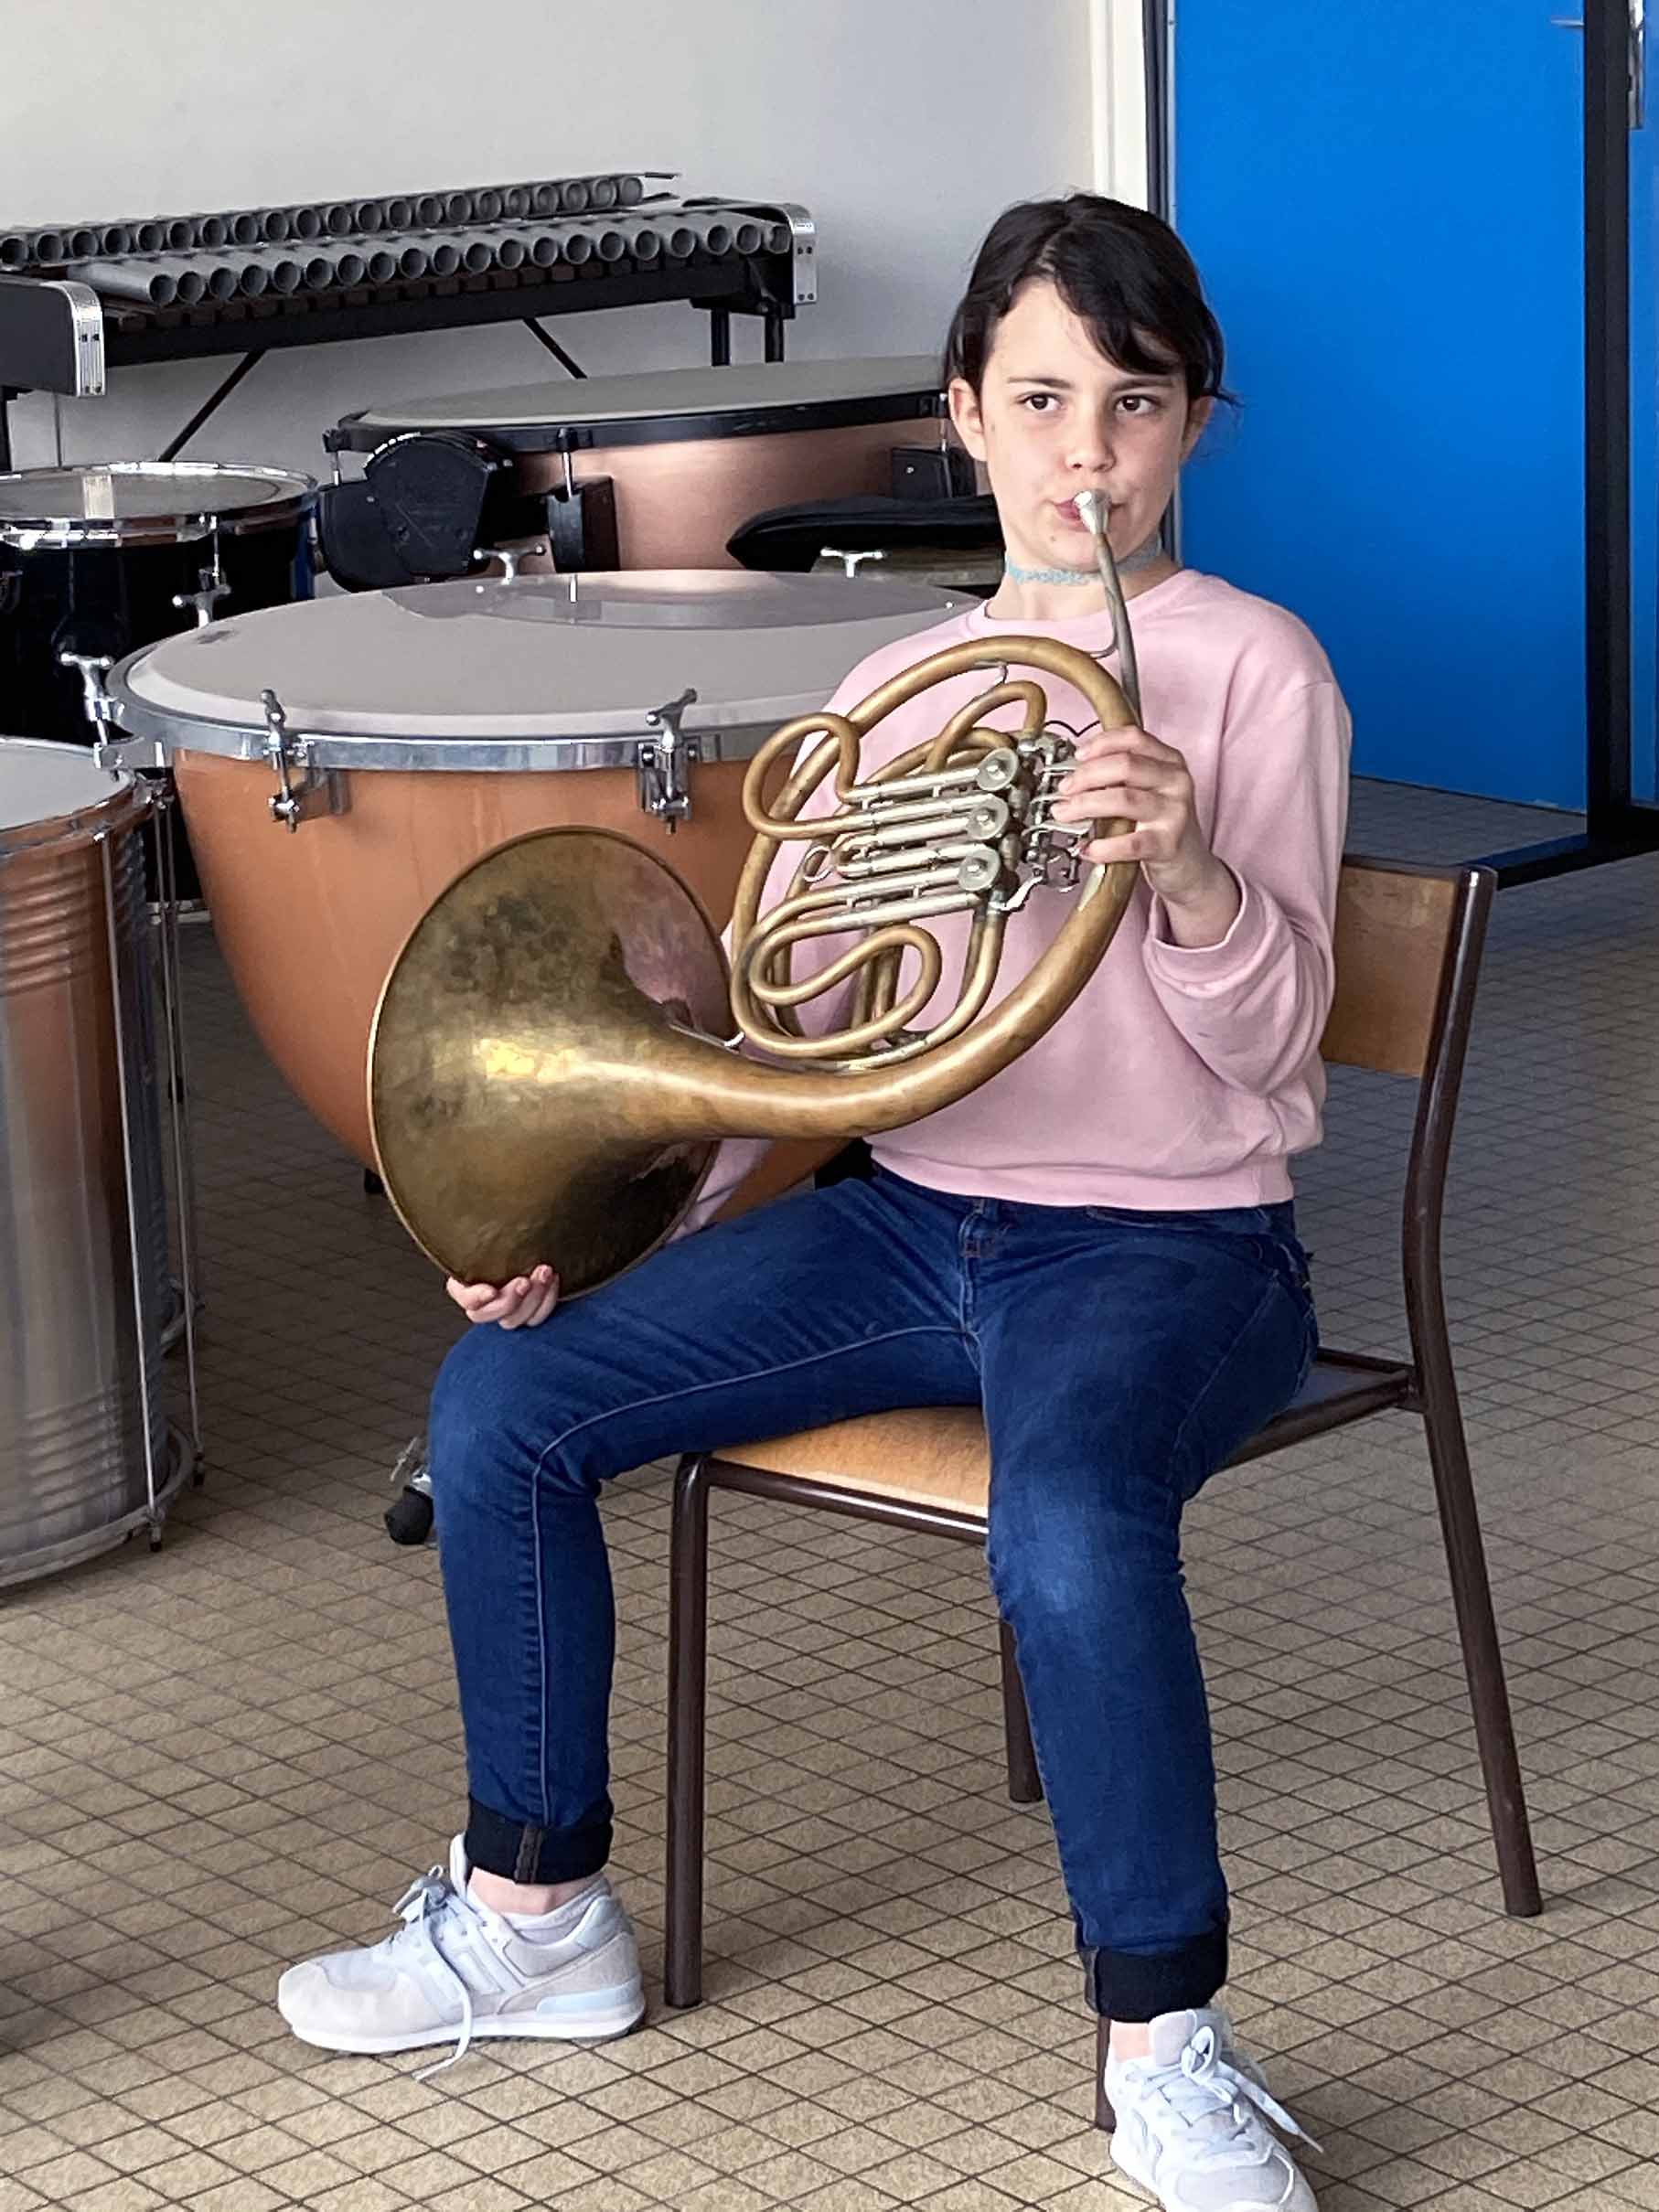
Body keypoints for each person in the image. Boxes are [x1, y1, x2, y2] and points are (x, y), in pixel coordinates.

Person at [278, 193, 1350, 2212]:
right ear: (964, 413)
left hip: (1173, 1242)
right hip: (907, 1215)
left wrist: (1195, 879)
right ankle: (535, 1915)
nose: (1086, 454)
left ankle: (1162, 2046)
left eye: (1133, 406)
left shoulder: (1255, 670)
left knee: (1065, 1518)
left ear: (1193, 425)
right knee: (504, 1405)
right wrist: (621, 1231)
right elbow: (805, 1034)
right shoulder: (913, 684)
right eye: (1041, 401)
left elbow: (1274, 1055)